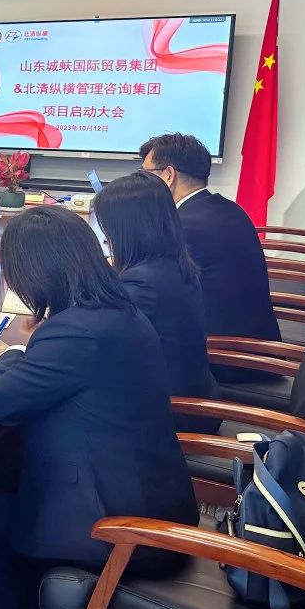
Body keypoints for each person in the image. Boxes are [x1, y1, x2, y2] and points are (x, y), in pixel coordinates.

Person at [0, 205, 198, 609]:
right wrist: (27, 353)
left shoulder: (75, 331)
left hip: (119, 530)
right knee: (2, 471)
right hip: (153, 499)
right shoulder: (117, 308)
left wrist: (9, 357)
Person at [140, 133, 281, 371]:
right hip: (255, 347)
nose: (140, 183)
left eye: (145, 174)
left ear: (168, 175)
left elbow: (150, 289)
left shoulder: (182, 225)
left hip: (224, 358)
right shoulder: (226, 208)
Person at [95, 171, 220, 433]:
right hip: (195, 397)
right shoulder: (173, 263)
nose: (106, 238)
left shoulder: (142, 285)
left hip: (174, 414)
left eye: (108, 227)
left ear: (127, 230)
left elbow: (94, 342)